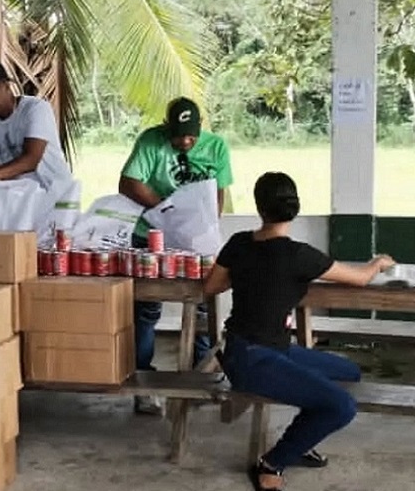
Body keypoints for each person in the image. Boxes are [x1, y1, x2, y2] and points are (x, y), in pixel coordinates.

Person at [204, 172, 394, 491]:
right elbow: (360, 278)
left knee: (348, 373)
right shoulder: (300, 255)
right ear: (295, 207)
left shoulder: (239, 243)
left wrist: (248, 274)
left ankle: (301, 438)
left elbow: (212, 286)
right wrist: (377, 263)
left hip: (269, 348)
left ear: (259, 207)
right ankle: (271, 463)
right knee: (341, 406)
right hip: (250, 359)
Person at [118, 96, 232, 415]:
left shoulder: (217, 147)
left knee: (200, 307)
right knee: (145, 309)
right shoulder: (150, 142)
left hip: (196, 238)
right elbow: (128, 182)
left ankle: (201, 378)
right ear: (167, 128)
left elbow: (218, 195)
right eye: (179, 135)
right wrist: (164, 208)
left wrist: (205, 226)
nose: (185, 141)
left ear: (200, 129)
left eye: (191, 135)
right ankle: (141, 382)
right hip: (152, 235)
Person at [0, 59, 72, 199]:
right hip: (18, 203)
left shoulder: (36, 109)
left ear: (6, 86)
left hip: (54, 198)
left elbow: (30, 160)